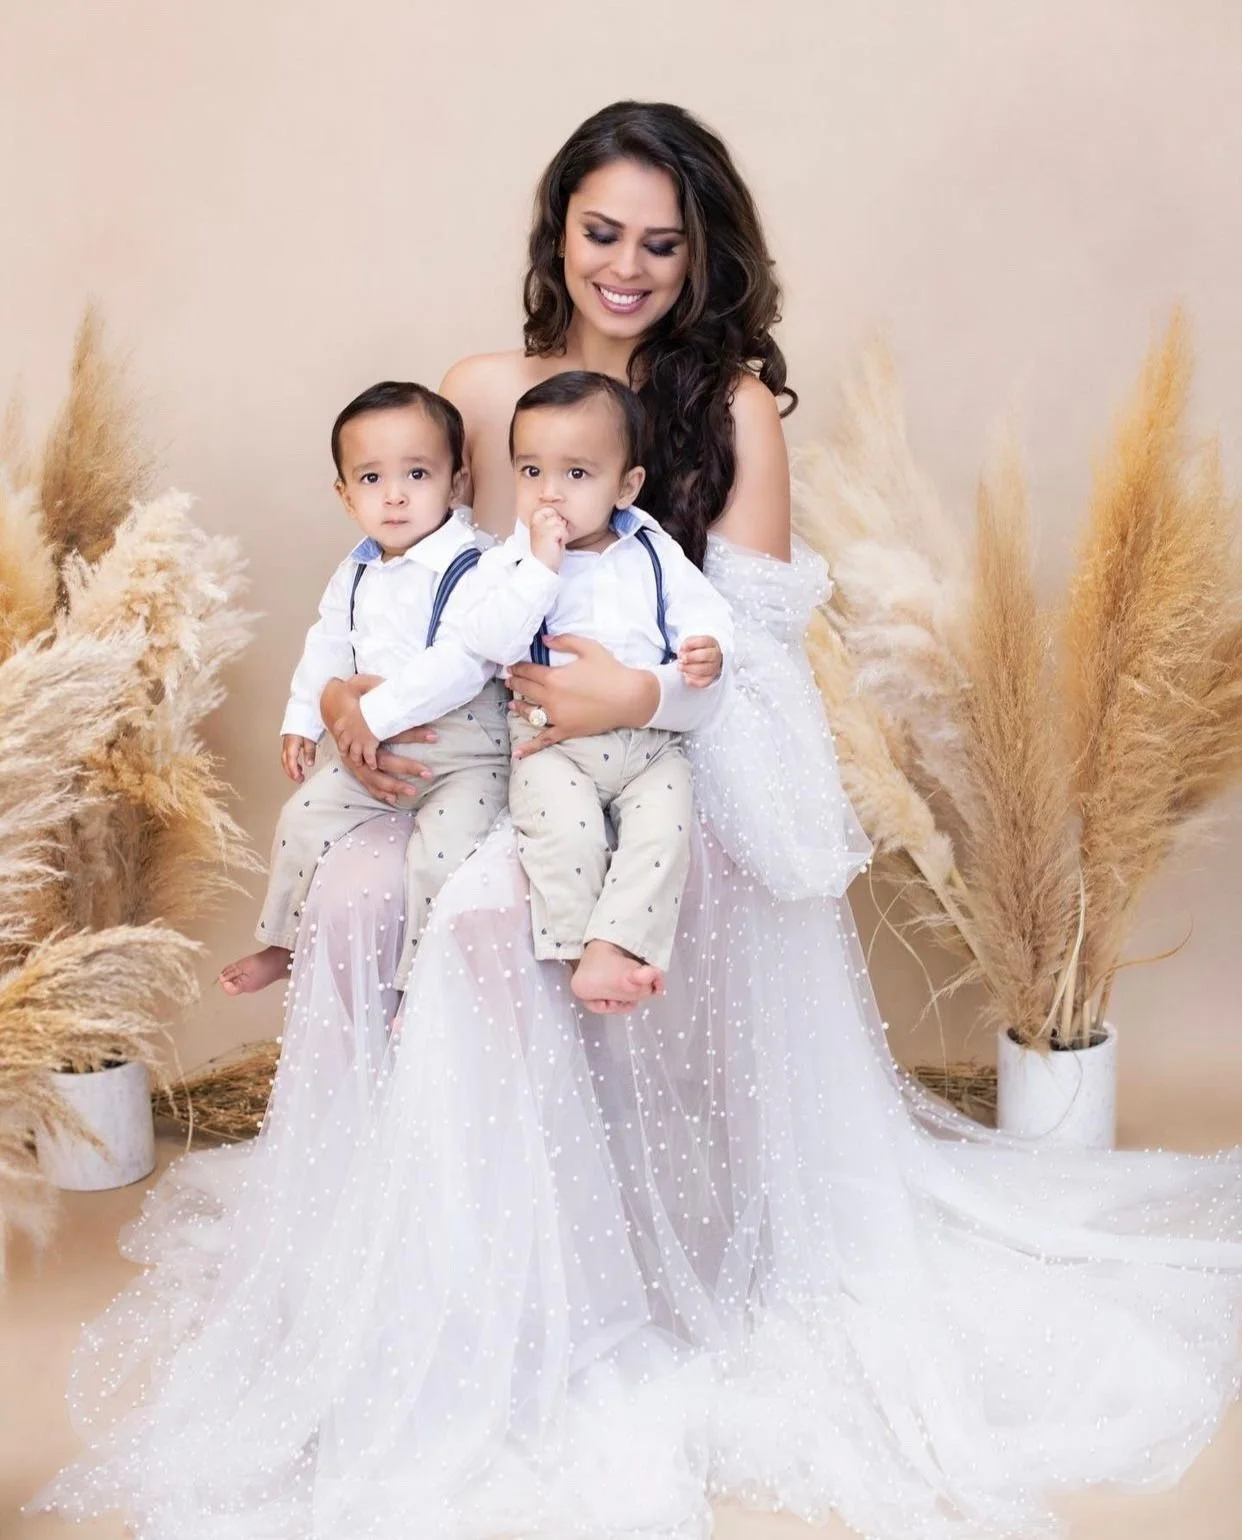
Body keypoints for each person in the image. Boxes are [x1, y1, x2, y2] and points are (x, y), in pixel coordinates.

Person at [34, 101, 1242, 1540]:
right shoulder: (484, 391)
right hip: (484, 741)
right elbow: (411, 576)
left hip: (670, 760)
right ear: (556, 231)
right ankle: (403, 1261)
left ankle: (575, 1290)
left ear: (702, 255)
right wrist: (353, 689)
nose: (626, 268)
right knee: (354, 894)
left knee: (489, 919)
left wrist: (631, 699)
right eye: (601, 233)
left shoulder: (727, 410)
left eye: (661, 245)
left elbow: (761, 662)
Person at [449, 370, 733, 1011]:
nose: (550, 492)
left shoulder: (654, 551)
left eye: (576, 474)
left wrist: (707, 648)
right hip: (551, 741)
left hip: (650, 742)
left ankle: (617, 943)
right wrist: (540, 567)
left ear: (625, 486)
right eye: (531, 472)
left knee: (664, 832)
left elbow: (703, 611)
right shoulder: (509, 562)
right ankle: (581, 952)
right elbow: (488, 640)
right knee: (564, 833)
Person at [218, 380, 508, 996]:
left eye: (418, 474)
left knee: (441, 857)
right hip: (369, 752)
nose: (395, 495)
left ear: (456, 483)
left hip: (464, 758)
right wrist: (303, 719)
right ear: (346, 495)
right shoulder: (355, 572)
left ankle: (419, 981)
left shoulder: (478, 566)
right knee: (300, 820)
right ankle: (284, 943)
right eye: (372, 479)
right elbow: (327, 646)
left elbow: (464, 660)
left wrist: (374, 713)